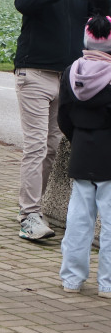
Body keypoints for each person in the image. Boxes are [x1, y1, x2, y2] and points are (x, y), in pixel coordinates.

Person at [14, 0, 110, 241]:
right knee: (36, 146)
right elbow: (25, 3)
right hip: (35, 73)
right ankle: (29, 215)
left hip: (68, 78)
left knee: (53, 147)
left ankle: (32, 207)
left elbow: (98, 24)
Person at [57, 15, 111, 298]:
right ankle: (108, 285)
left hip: (81, 152)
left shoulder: (70, 71)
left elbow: (63, 116)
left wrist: (78, 139)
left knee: (78, 218)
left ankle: (71, 279)